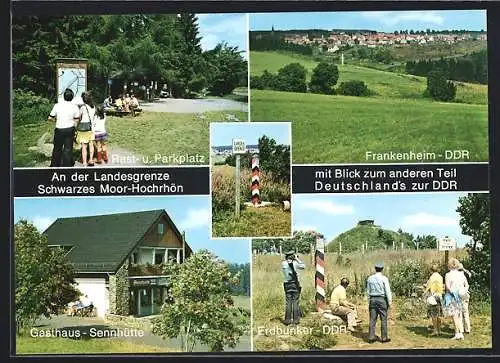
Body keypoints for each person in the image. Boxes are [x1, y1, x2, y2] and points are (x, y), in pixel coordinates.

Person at [48, 88, 80, 167]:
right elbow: (76, 120)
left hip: (59, 129)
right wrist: (75, 129)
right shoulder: (75, 107)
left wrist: (56, 121)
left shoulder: (57, 105)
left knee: (57, 148)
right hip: (70, 129)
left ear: (64, 96)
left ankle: (55, 164)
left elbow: (50, 118)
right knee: (68, 148)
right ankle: (67, 165)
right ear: (72, 97)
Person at [367, 262, 392, 343]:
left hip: (372, 299)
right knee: (383, 319)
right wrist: (390, 302)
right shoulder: (384, 278)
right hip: (382, 299)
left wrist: (369, 301)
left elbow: (368, 291)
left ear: (375, 268)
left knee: (372, 319)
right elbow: (387, 291)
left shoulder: (370, 278)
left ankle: (371, 337)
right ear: (382, 269)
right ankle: (384, 338)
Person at [443, 258, 467, 340]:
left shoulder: (448, 275)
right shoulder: (461, 274)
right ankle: (461, 333)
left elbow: (447, 287)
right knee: (459, 315)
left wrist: (452, 293)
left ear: (449, 265)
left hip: (451, 296)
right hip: (460, 295)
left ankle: (457, 333)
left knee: (454, 316)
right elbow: (465, 285)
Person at [281, 250, 305, 325]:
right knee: (295, 301)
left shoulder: (283, 263)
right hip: (295, 284)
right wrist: (297, 259)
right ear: (292, 256)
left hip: (287, 284)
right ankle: (295, 320)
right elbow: (303, 266)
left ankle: (287, 320)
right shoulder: (295, 263)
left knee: (288, 302)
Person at [424, 263, 445, 336]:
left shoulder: (432, 277)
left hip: (433, 297)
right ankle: (439, 330)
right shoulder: (440, 277)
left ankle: (435, 330)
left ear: (431, 270)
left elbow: (428, 286)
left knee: (434, 315)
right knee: (439, 314)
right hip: (440, 296)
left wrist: (424, 292)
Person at [76, 91, 96, 166]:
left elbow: (79, 118)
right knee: (91, 144)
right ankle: (91, 160)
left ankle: (84, 162)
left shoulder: (83, 107)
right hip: (91, 128)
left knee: (84, 145)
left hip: (83, 128)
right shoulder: (93, 107)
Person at [458, 262, 471, 334]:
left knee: (459, 312)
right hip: (465, 294)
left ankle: (461, 329)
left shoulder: (456, 276)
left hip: (459, 295)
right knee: (466, 312)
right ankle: (468, 328)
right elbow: (467, 285)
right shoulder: (465, 275)